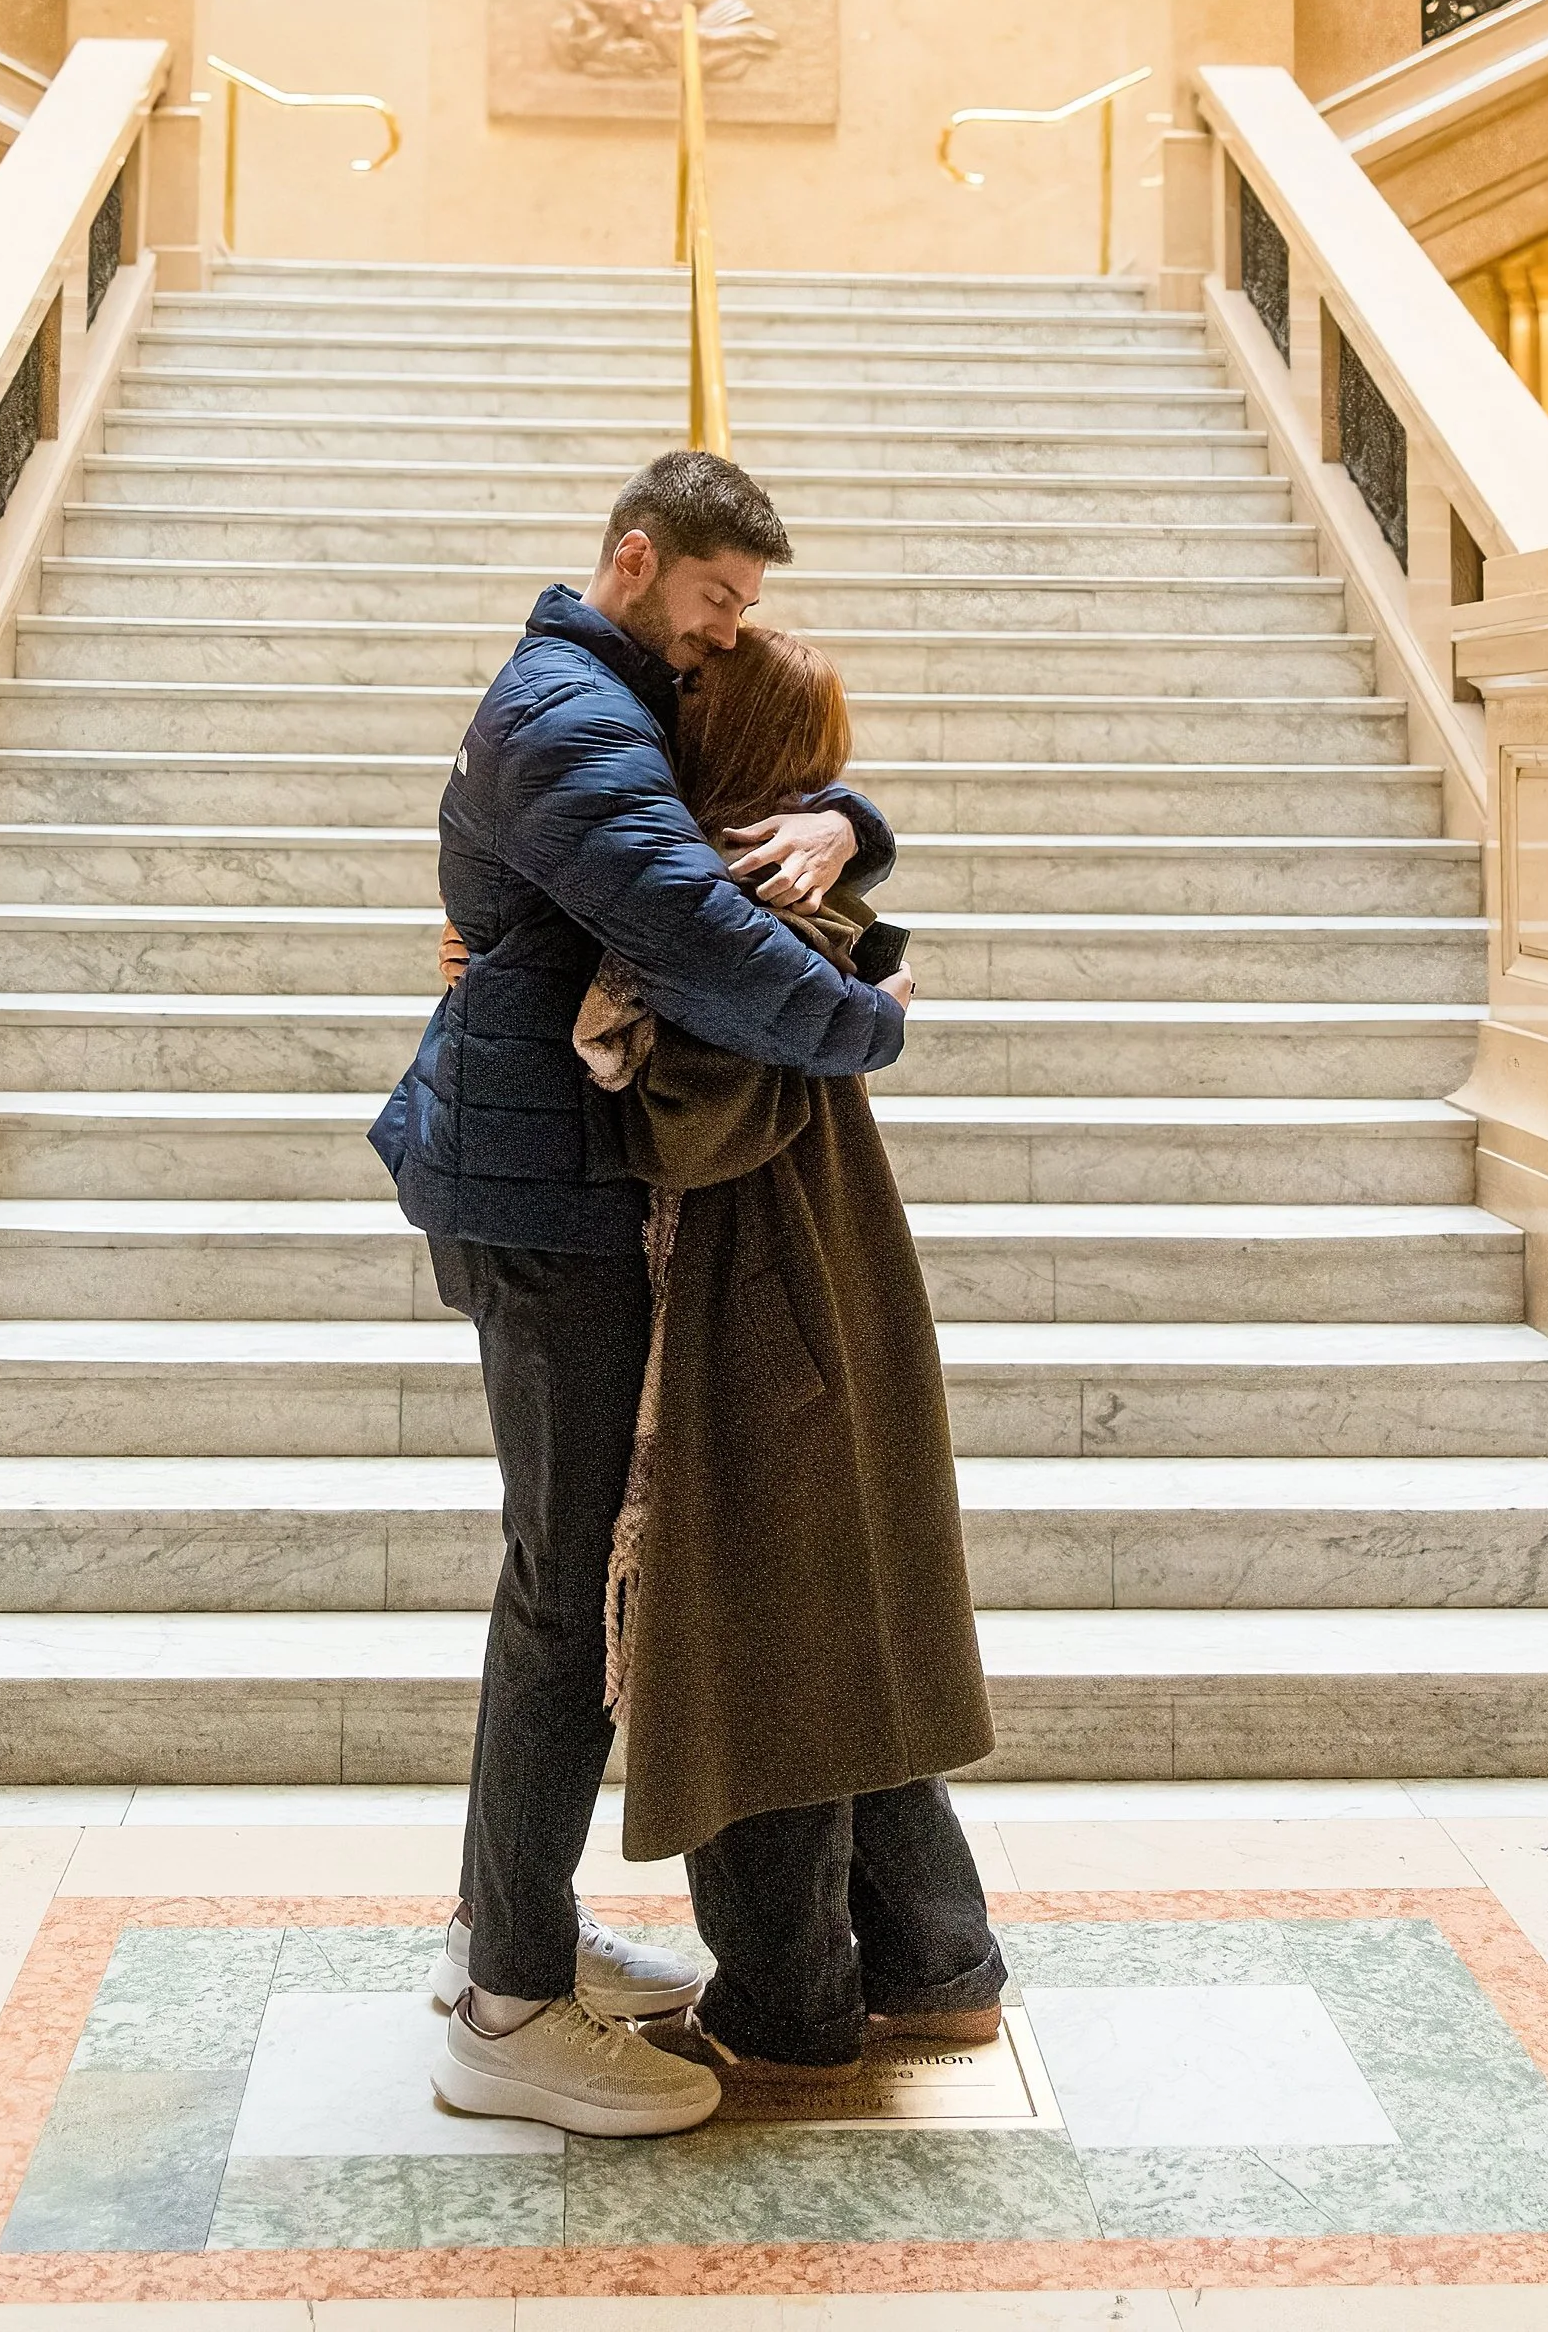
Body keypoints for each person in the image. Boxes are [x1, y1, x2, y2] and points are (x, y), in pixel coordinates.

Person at [369, 449, 913, 2138]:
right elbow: (688, 916)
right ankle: (510, 2003)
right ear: (635, 559)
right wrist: (872, 1025)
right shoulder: (566, 711)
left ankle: (510, 1935)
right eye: (715, 603)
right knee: (561, 1597)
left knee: (566, 1582)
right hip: (543, 1203)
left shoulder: (607, 697)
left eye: (741, 614)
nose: (727, 636)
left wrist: (848, 824)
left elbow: (754, 791)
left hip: (546, 1178)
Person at [574, 625, 1003, 2103]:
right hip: (828, 1286)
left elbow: (701, 1118)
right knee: (844, 1638)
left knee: (756, 1655)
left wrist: (595, 1017)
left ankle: (788, 2000)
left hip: (766, 1307)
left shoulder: (727, 901)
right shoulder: (801, 871)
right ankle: (942, 1965)